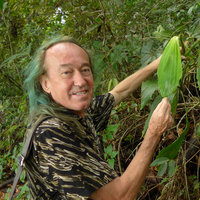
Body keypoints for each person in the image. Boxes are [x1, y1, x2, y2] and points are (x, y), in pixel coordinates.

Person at [23, 36, 173, 200]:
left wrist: (156, 64)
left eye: (85, 70)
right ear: (46, 84)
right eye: (67, 72)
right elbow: (118, 198)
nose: (80, 81)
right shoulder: (50, 133)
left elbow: (118, 92)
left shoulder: (76, 113)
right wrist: (153, 133)